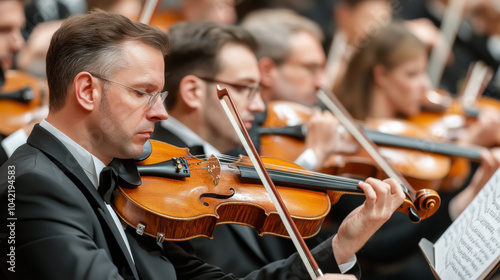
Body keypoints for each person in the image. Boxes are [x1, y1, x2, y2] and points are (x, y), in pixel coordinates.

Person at [0, 10, 405, 280]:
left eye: (160, 94)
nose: (161, 113)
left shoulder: (119, 182)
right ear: (87, 90)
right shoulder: (34, 184)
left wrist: (341, 244)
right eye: (144, 92)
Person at [151, 20, 406, 278]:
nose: (260, 106)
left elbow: (277, 255)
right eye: (244, 89)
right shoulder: (159, 176)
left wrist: (342, 245)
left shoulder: (238, 155)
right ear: (193, 91)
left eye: (258, 91)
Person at [334, 20, 500, 279]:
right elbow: (381, 247)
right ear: (381, 76)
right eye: (412, 74)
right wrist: (462, 152)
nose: (426, 85)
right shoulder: (350, 151)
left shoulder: (417, 130)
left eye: (425, 72)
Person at [238, 8, 348, 171]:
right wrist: (314, 154)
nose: (322, 82)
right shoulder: (240, 133)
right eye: (310, 68)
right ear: (267, 71)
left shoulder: (317, 114)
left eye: (322, 69)